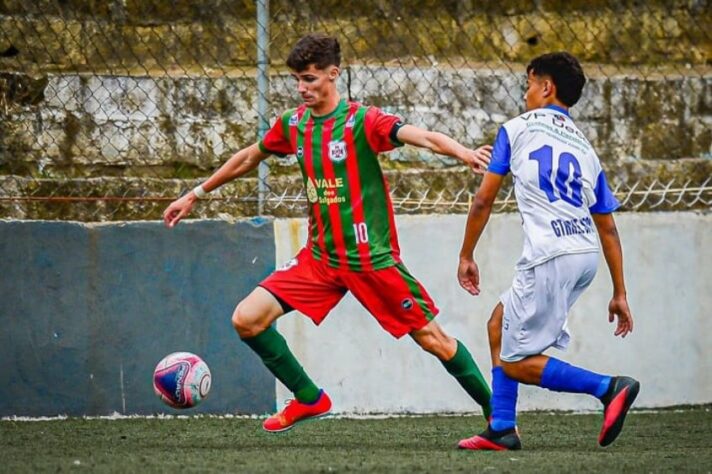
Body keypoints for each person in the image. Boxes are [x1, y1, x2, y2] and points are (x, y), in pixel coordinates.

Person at [163, 33, 494, 432]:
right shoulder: (294, 124)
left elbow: (419, 135)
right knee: (247, 319)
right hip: (320, 260)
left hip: (371, 261)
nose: (302, 89)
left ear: (333, 74)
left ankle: (498, 414)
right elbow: (250, 156)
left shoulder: (362, 121)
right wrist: (195, 193)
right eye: (298, 81)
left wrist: (464, 153)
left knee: (434, 341)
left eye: (310, 79)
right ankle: (309, 398)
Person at [456, 52, 639, 450]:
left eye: (528, 84)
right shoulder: (586, 149)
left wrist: (466, 254)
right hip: (584, 254)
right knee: (497, 325)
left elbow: (483, 200)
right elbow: (607, 226)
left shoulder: (516, 129)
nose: (525, 94)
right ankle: (502, 426)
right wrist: (620, 292)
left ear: (545, 87)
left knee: (514, 361)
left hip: (549, 255)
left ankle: (608, 388)